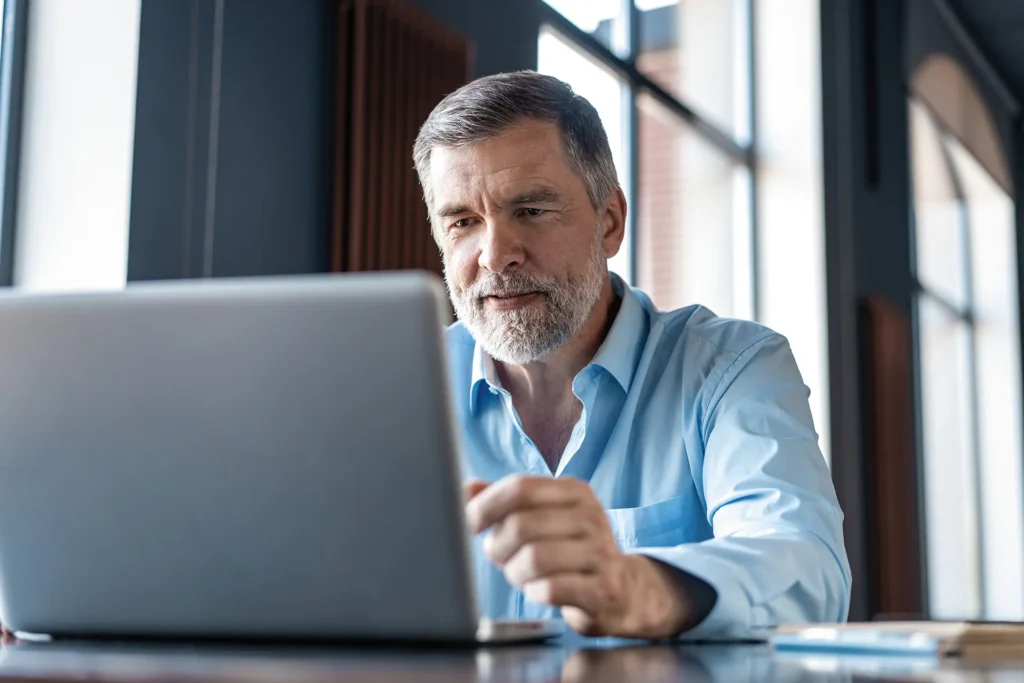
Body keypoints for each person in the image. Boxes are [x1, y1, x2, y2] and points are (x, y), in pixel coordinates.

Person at [412, 70, 850, 639]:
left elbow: (807, 573)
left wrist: (637, 587)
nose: (495, 255)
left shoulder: (732, 368)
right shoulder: (404, 387)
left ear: (610, 223)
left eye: (532, 210)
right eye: (463, 222)